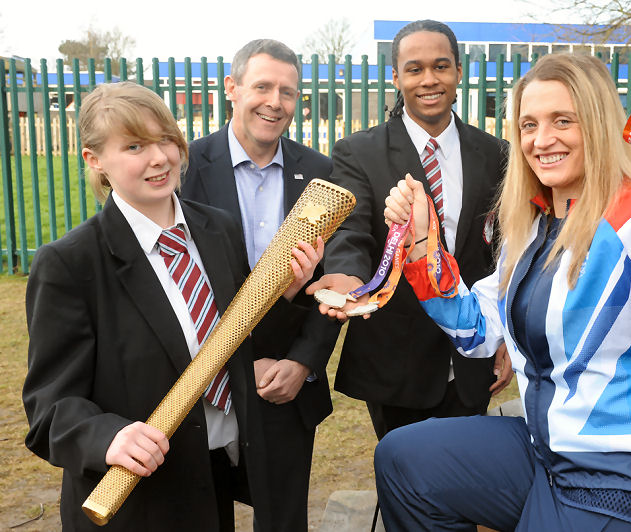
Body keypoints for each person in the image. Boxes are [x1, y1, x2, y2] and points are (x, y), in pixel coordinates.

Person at [377, 54, 631, 531]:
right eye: (528, 124)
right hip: (549, 455)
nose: (541, 141)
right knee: (403, 459)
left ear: (600, 124)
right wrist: (423, 244)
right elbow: (477, 333)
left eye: (563, 121)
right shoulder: (530, 226)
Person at [22, 82, 321, 531]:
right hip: (138, 502)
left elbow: (238, 343)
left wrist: (287, 293)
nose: (159, 158)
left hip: (215, 472)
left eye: (165, 139)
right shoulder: (71, 263)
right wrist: (109, 437)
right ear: (95, 160)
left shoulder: (216, 228)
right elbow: (50, 408)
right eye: (135, 146)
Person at [308, 20, 513, 439]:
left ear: (458, 71)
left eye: (441, 66)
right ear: (397, 77)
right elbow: (352, 229)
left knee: (464, 488)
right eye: (415, 69)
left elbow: (507, 253)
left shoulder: (497, 154)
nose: (429, 80)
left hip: (473, 361)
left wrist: (507, 336)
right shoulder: (359, 151)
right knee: (405, 487)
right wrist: (349, 276)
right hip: (395, 361)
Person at [181, 39, 339, 530]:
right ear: (232, 88)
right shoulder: (184, 169)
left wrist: (303, 361)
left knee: (284, 518)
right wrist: (233, 364)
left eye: (288, 92)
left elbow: (333, 283)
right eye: (262, 86)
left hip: (284, 386)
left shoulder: (320, 174)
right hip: (205, 384)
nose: (275, 102)